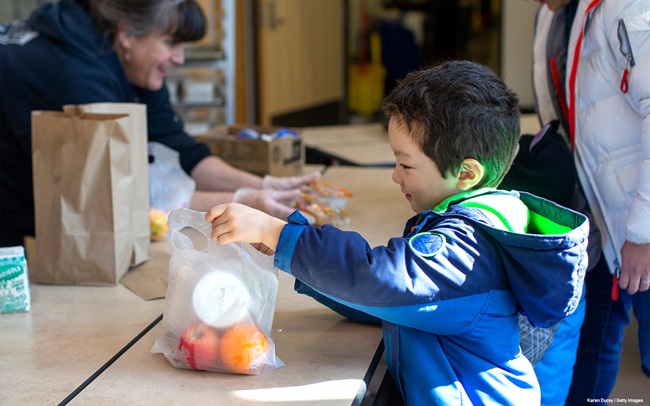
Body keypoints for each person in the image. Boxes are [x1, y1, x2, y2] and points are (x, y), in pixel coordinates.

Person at [205, 60, 590, 405]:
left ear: (467, 174)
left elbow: (382, 280)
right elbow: (393, 301)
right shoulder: (464, 223)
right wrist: (287, 253)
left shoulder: (466, 246)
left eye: (406, 165)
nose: (394, 175)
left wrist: (280, 235)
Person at [0, 0, 317, 248]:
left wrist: (261, 185)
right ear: (127, 35)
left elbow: (179, 146)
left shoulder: (128, 60)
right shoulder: (74, 74)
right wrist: (242, 201)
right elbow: (117, 189)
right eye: (170, 43)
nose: (179, 59)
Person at [530, 1, 650, 403]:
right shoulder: (559, 12)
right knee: (597, 341)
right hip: (601, 217)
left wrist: (643, 233)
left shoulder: (629, 7)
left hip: (638, 224)